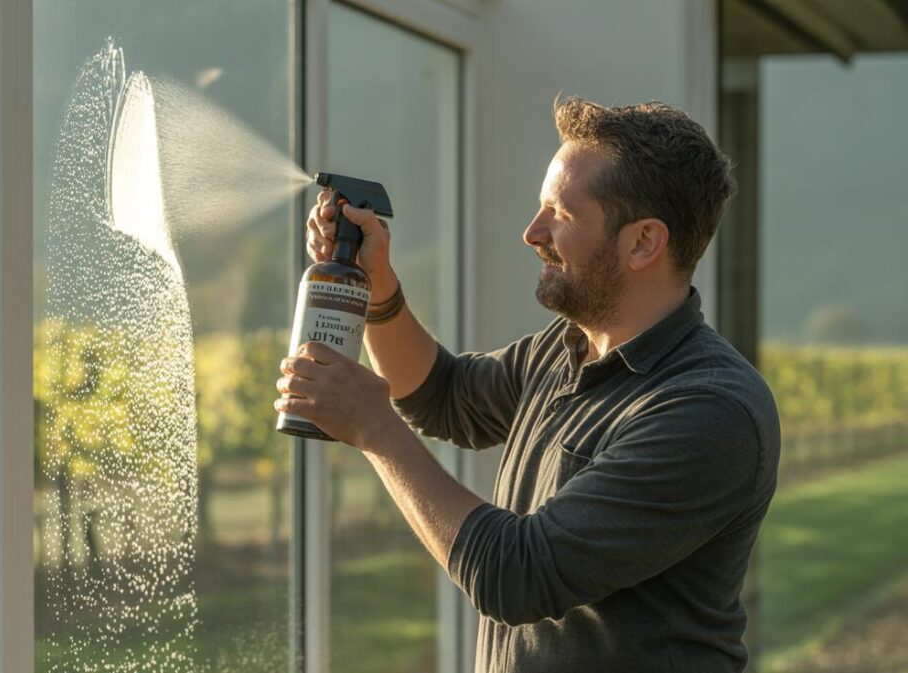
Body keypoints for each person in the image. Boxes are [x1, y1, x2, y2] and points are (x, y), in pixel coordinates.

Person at [274, 97, 780, 673]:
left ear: (643, 242)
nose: (531, 232)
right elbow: (441, 397)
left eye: (559, 213)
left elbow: (518, 575)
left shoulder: (709, 410)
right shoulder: (566, 347)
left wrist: (373, 427)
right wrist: (377, 287)